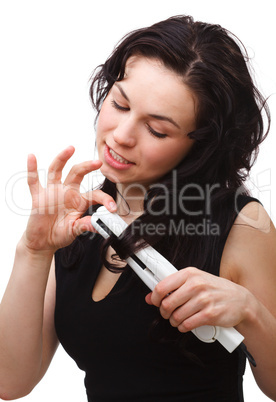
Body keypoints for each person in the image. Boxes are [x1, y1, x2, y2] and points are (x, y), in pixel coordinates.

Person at [0, 14, 275, 402]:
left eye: (157, 130)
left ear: (202, 146)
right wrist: (33, 251)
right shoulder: (80, 219)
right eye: (120, 103)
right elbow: (10, 381)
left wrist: (251, 312)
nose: (122, 135)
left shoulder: (242, 224)